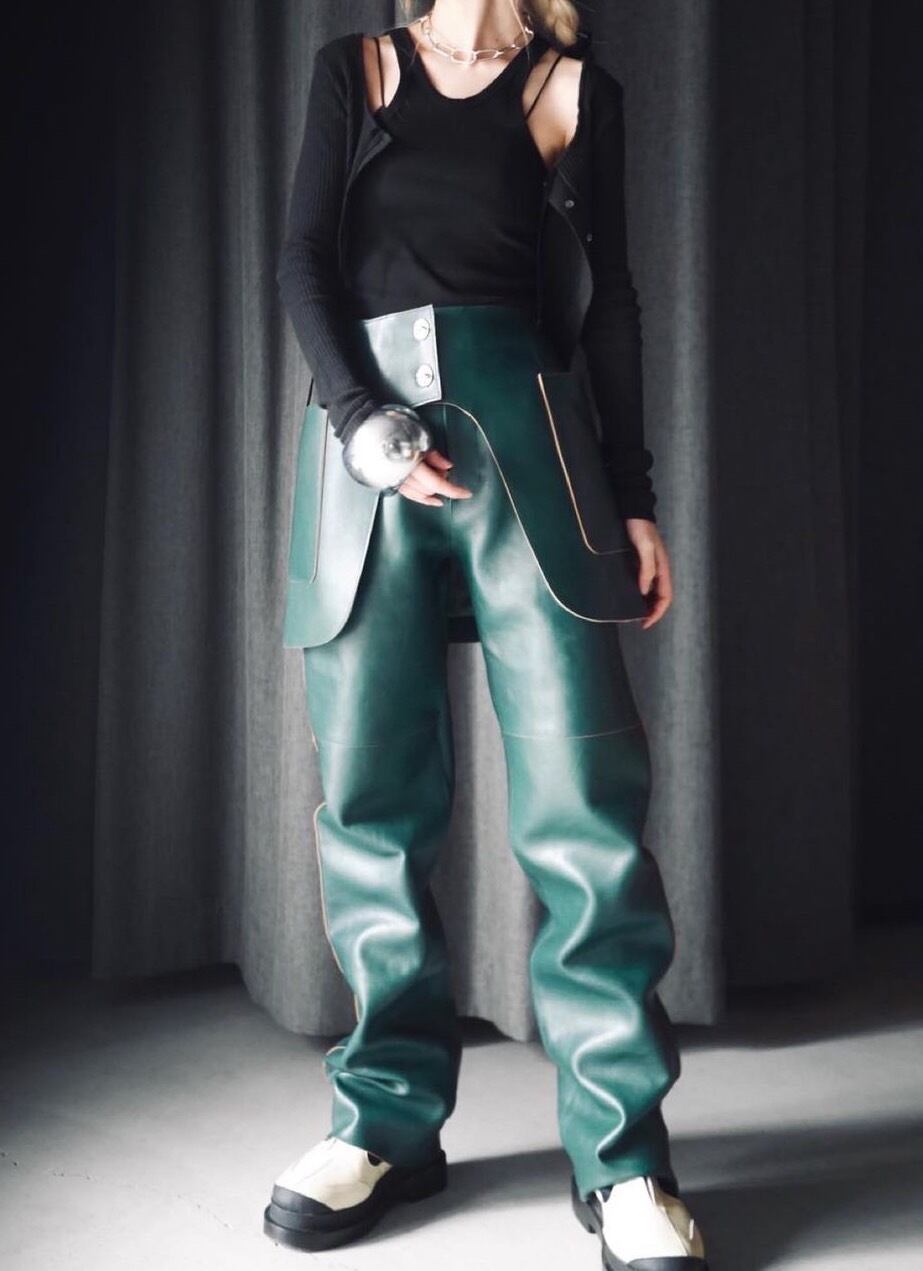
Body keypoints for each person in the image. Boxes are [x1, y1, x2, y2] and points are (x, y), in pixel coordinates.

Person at [265, 2, 708, 1267]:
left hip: (532, 443)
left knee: (585, 802)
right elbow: (302, 259)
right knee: (370, 797)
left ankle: (621, 1158)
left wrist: (634, 496)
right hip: (362, 454)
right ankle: (384, 1126)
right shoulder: (355, 70)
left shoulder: (573, 91)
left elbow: (608, 303)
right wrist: (361, 419)